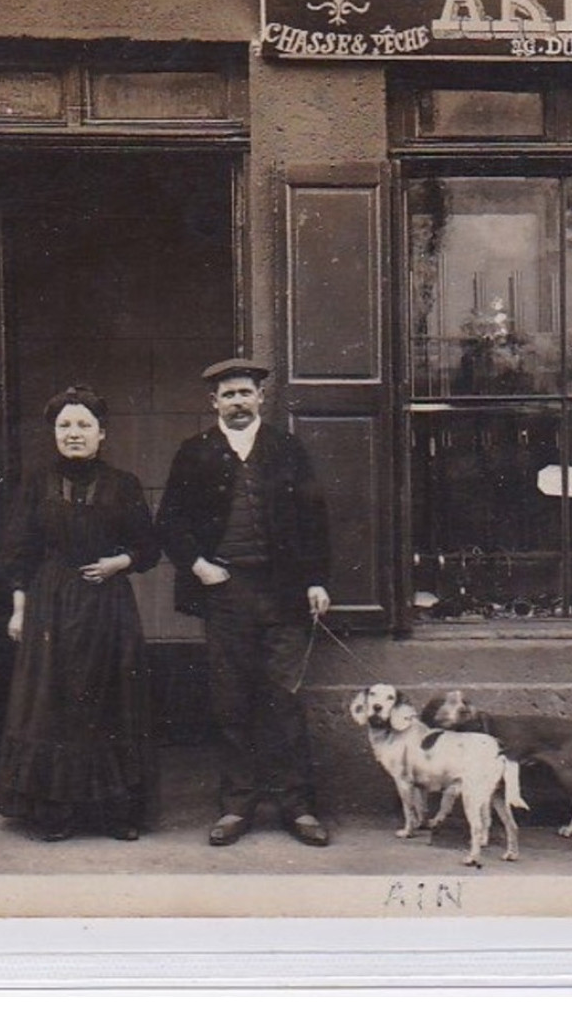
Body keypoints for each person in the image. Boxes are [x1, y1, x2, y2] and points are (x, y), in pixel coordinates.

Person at [155, 358, 333, 848]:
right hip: (225, 594)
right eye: (228, 395)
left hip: (283, 593)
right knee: (231, 700)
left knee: (284, 699)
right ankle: (237, 806)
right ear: (213, 402)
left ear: (260, 398)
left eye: (245, 393)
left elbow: (313, 519)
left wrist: (316, 580)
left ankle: (297, 807)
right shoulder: (194, 453)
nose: (237, 402)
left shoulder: (287, 450)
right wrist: (197, 564)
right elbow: (170, 521)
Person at [0, 386, 160, 842]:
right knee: (54, 701)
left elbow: (148, 547)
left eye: (84, 425)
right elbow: (19, 552)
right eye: (65, 425)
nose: (74, 434)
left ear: (102, 434)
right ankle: (56, 810)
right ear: (54, 433)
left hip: (107, 606)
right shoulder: (36, 483)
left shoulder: (122, 484)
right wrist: (19, 611)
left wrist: (117, 563)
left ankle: (115, 812)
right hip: (50, 603)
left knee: (110, 699)